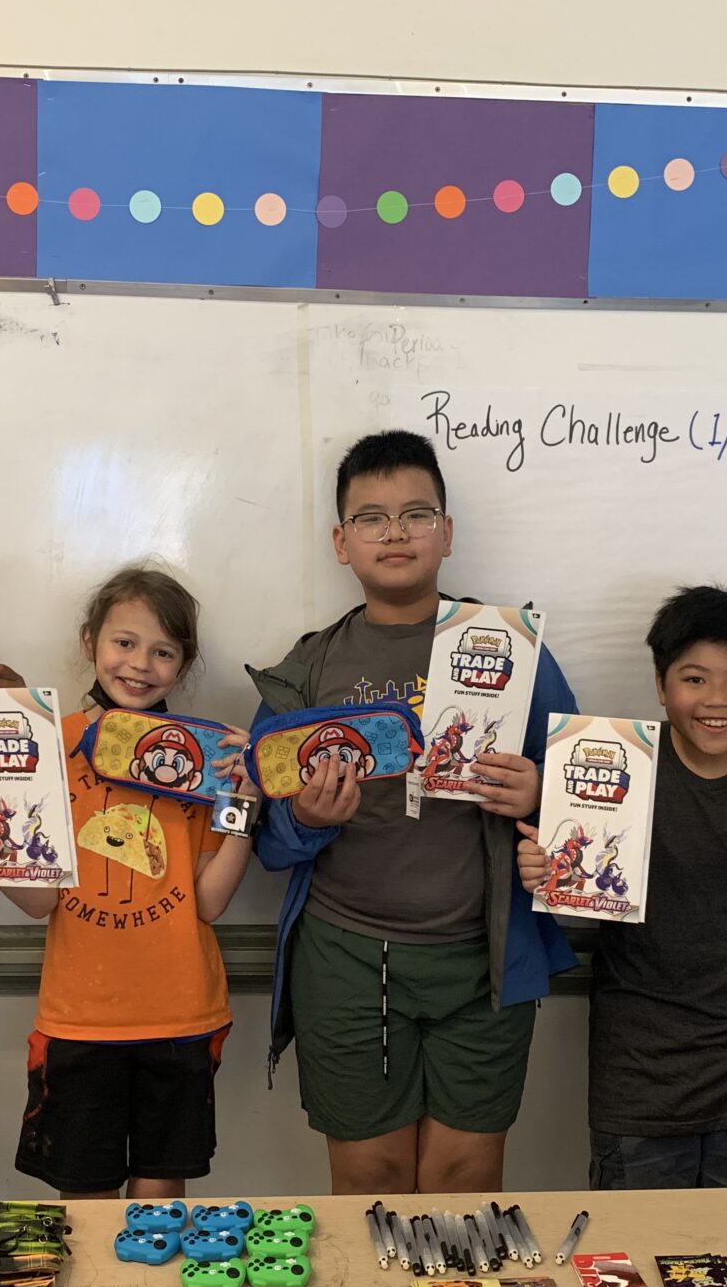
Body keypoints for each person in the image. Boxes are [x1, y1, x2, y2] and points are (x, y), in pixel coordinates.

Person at [248, 430, 578, 1195]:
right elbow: (266, 837)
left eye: (416, 514)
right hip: (348, 957)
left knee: (465, 1178)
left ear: (448, 533)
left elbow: (586, 806)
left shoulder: (512, 650)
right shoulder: (308, 667)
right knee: (370, 1176)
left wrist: (538, 797)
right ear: (341, 542)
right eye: (371, 518)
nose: (394, 533)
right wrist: (310, 819)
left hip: (484, 959)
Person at [0, 565, 254, 1200]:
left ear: (183, 664)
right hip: (79, 1022)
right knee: (85, 1208)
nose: (140, 664)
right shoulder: (48, 744)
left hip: (181, 1017)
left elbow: (211, 901)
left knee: (159, 1213)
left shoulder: (205, 756)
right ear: (90, 642)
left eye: (164, 651)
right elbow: (39, 902)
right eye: (124, 642)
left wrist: (244, 803)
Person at [516, 585, 727, 1190]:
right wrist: (543, 870)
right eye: (694, 679)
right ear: (661, 683)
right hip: (638, 1068)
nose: (716, 700)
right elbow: (569, 877)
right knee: (636, 1268)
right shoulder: (611, 761)